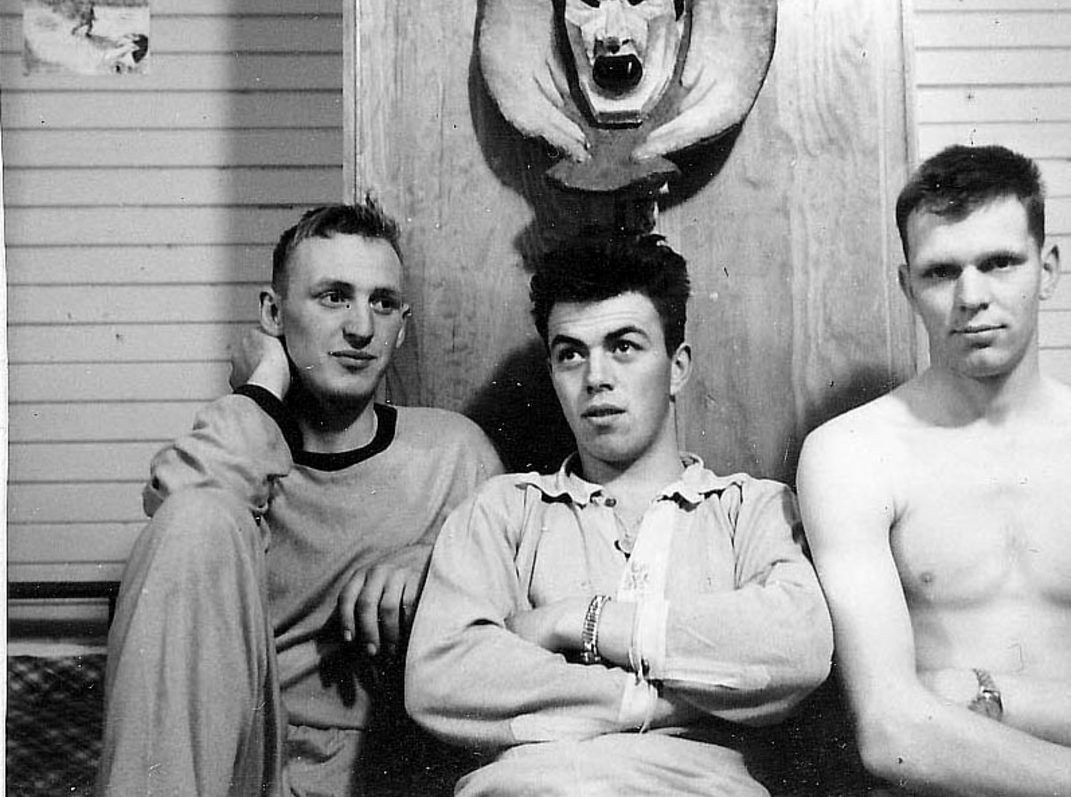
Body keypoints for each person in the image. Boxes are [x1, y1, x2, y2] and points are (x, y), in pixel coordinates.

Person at [796, 145, 1071, 796]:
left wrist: (978, 694)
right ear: (907, 287)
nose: (972, 297)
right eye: (940, 272)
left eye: (1000, 263)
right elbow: (893, 734)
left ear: (1048, 269)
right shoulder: (850, 454)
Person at [404, 234, 834, 796]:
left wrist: (576, 621)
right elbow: (442, 678)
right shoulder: (502, 510)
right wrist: (660, 695)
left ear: (677, 367)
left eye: (624, 346)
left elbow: (797, 648)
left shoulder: (750, 509)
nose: (595, 377)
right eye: (570, 354)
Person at [97, 201, 503, 796]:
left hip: (376, 774)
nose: (361, 328)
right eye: (334, 297)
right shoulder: (243, 449)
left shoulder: (453, 453)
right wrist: (264, 386)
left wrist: (439, 567)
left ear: (402, 326)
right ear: (273, 313)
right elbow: (177, 514)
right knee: (201, 515)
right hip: (244, 767)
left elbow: (514, 612)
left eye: (382, 303)